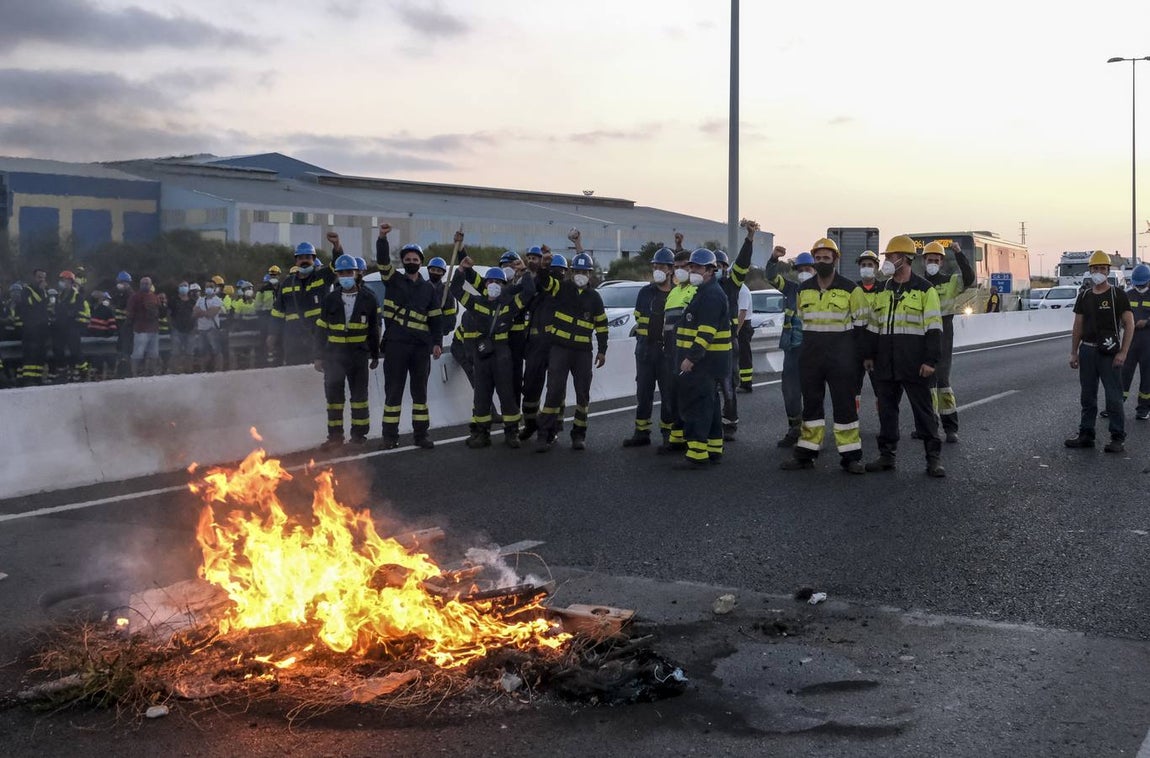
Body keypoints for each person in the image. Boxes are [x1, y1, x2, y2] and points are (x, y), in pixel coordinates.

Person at [781, 237, 870, 474]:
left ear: (835, 260)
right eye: (818, 258)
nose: (821, 262)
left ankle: (851, 457)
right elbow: (801, 321)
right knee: (811, 407)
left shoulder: (852, 290)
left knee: (845, 408)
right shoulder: (804, 289)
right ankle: (806, 454)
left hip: (842, 359)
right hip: (810, 358)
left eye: (826, 258)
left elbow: (862, 327)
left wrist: (863, 358)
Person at [863, 236, 945, 477]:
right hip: (885, 363)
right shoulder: (883, 289)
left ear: (904, 259)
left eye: (890, 256)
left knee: (924, 413)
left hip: (915, 363)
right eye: (887, 256)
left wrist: (930, 361)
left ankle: (933, 459)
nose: (886, 260)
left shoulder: (924, 290)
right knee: (887, 412)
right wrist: (868, 355)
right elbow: (873, 324)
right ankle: (887, 456)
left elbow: (934, 327)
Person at [534, 239, 608, 451]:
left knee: (582, 394)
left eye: (585, 272)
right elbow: (545, 282)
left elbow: (602, 326)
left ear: (590, 274)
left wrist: (602, 350)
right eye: (577, 270)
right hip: (560, 350)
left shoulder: (595, 298)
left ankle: (579, 434)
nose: (580, 274)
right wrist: (544, 266)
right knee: (554, 392)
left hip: (583, 353)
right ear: (571, 271)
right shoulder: (561, 288)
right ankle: (544, 435)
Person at [375, 223, 444, 449]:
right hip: (396, 346)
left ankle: (421, 435)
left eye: (415, 259)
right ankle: (389, 437)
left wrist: (437, 343)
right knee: (393, 394)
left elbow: (435, 319)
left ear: (420, 263)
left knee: (420, 394)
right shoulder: (393, 280)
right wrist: (382, 238)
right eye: (408, 259)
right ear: (403, 261)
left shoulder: (429, 290)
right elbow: (383, 262)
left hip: (420, 349)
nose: (412, 262)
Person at [452, 260, 535, 448]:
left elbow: (529, 292)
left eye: (498, 283)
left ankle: (511, 433)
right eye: (490, 282)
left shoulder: (509, 305)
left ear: (503, 285)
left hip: (502, 354)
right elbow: (455, 290)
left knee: (507, 394)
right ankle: (483, 434)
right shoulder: (476, 302)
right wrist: (461, 269)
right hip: (482, 354)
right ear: (485, 284)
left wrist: (524, 271)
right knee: (482, 395)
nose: (493, 286)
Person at [1066, 250, 1135, 452]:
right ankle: (1086, 434)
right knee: (1087, 396)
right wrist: (1074, 352)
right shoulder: (1085, 296)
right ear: (1090, 270)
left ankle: (1117, 437)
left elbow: (1129, 324)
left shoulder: (1117, 295)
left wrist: (1123, 352)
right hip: (1087, 351)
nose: (1098, 272)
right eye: (1095, 268)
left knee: (1113, 396)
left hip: (1109, 353)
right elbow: (1077, 325)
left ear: (1108, 270)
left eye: (1102, 268)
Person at [314, 255, 381, 450]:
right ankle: (335, 437)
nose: (345, 276)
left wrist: (375, 354)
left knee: (359, 398)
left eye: (349, 273)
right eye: (341, 273)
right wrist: (318, 356)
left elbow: (373, 329)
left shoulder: (369, 299)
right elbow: (321, 329)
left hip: (358, 356)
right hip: (334, 356)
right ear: (337, 275)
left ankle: (359, 436)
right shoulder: (330, 299)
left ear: (356, 273)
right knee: (334, 398)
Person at [673, 249, 731, 469]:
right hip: (709, 362)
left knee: (697, 406)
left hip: (703, 363)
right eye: (691, 267)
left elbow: (705, 332)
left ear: (709, 270)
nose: (691, 271)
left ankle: (697, 453)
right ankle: (714, 448)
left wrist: (691, 358)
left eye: (696, 267)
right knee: (710, 405)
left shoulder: (711, 295)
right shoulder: (704, 291)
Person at [921, 240, 975, 443]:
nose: (933, 263)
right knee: (926, 384)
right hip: (923, 334)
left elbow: (968, 278)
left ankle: (950, 428)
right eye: (929, 260)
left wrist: (959, 254)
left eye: (936, 260)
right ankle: (928, 427)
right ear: (924, 261)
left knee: (942, 381)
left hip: (944, 332)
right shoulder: (919, 284)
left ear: (942, 262)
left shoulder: (950, 281)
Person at [623, 247, 676, 447]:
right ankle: (641, 432)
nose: (657, 270)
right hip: (645, 350)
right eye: (654, 266)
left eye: (661, 266)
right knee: (643, 392)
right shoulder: (645, 292)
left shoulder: (676, 294)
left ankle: (667, 434)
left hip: (667, 353)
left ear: (670, 269)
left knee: (668, 394)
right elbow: (639, 319)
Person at [764, 247, 812, 447]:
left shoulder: (822, 291)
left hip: (813, 350)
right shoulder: (791, 288)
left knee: (811, 393)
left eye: (808, 268)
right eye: (800, 269)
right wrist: (774, 259)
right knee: (790, 392)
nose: (803, 272)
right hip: (792, 349)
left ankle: (811, 433)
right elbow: (771, 277)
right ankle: (794, 429)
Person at [714, 225, 756, 440]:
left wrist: (749, 240)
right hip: (705, 346)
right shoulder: (698, 289)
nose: (719, 268)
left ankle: (729, 424)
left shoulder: (731, 286)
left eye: (722, 265)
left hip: (728, 344)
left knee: (728, 386)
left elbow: (742, 264)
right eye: (715, 265)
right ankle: (710, 423)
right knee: (707, 388)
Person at [268, 242, 337, 366]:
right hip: (293, 341)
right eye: (301, 258)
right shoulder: (287, 284)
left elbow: (337, 263)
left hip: (318, 339)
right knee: (293, 377)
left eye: (308, 257)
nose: (304, 260)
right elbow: (277, 312)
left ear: (314, 259)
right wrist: (272, 334)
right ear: (296, 261)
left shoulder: (322, 278)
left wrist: (336, 245)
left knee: (319, 377)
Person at [659, 249, 698, 453]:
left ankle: (693, 440)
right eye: (677, 267)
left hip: (687, 351)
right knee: (673, 396)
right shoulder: (674, 291)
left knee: (688, 397)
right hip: (671, 352)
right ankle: (676, 439)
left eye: (684, 267)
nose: (680, 271)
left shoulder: (695, 290)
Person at [518, 244, 557, 441]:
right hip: (532, 343)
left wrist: (546, 264)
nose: (533, 260)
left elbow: (545, 282)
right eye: (530, 257)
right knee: (530, 387)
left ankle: (552, 428)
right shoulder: (521, 280)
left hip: (551, 343)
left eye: (537, 258)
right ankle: (530, 424)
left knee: (554, 387)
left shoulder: (549, 279)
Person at [854, 250, 882, 409]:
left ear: (876, 268)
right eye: (863, 265)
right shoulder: (853, 290)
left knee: (882, 391)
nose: (866, 268)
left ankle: (885, 427)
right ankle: (851, 425)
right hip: (855, 348)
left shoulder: (884, 289)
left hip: (878, 349)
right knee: (852, 390)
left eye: (869, 265)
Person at [1122, 263, 1150, 421]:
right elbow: (1121, 315)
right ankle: (1116, 405)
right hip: (1130, 342)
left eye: (1142, 284)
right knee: (1124, 373)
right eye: (1137, 284)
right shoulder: (1128, 295)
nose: (1139, 287)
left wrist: (1146, 322)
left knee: (1147, 377)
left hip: (1148, 343)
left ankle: (1144, 408)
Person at [51, 271, 89, 382]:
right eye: (61, 280)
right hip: (60, 329)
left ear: (70, 282)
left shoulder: (77, 296)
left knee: (75, 352)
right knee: (58, 350)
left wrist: (70, 313)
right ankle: (63, 373)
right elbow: (55, 310)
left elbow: (80, 313)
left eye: (64, 280)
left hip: (72, 328)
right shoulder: (59, 296)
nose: (61, 283)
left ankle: (84, 372)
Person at [16, 269, 50, 385]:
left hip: (41, 329)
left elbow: (47, 308)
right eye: (39, 277)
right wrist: (42, 292)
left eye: (43, 277)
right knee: (30, 354)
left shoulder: (44, 292)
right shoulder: (26, 291)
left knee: (40, 355)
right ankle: (28, 379)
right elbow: (33, 305)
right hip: (30, 329)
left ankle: (37, 378)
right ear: (33, 277)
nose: (41, 280)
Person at [126, 276, 162, 376]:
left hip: (154, 330)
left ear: (151, 285)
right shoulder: (135, 297)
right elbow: (129, 312)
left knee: (154, 354)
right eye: (143, 283)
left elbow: (160, 312)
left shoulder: (155, 297)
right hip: (140, 329)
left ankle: (152, 373)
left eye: (147, 283)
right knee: (138, 353)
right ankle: (134, 373)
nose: (145, 285)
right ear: (140, 285)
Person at [193, 281, 224, 372]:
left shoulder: (217, 300)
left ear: (214, 288)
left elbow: (211, 314)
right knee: (202, 351)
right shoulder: (200, 299)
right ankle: (203, 370)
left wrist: (201, 312)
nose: (208, 288)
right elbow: (194, 313)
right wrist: (205, 312)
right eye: (207, 287)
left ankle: (218, 369)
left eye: (211, 286)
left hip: (212, 329)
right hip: (201, 329)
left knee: (216, 350)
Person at [169, 281, 197, 373]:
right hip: (177, 330)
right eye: (182, 286)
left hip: (190, 330)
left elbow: (196, 314)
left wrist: (195, 326)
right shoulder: (173, 300)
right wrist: (172, 326)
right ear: (178, 288)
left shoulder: (193, 301)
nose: (184, 287)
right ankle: (175, 370)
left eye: (185, 286)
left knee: (190, 352)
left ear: (188, 288)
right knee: (176, 352)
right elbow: (169, 314)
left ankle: (188, 370)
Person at [110, 271, 133, 377]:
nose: (120, 284)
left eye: (122, 282)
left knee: (125, 349)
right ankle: (121, 370)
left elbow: (126, 311)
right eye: (119, 282)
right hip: (119, 326)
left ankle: (125, 371)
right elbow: (113, 305)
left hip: (127, 327)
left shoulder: (130, 295)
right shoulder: (118, 294)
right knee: (120, 348)